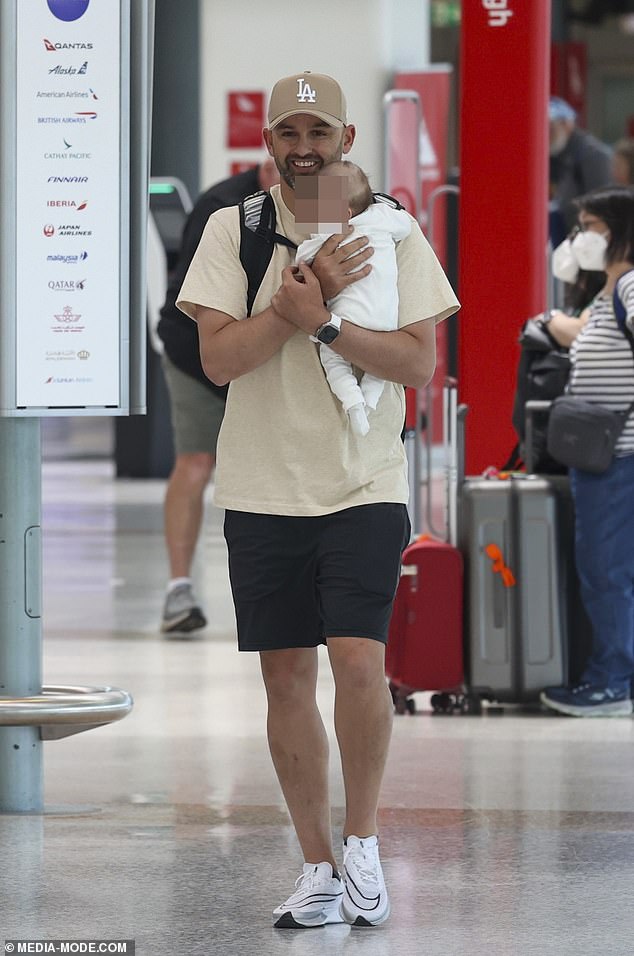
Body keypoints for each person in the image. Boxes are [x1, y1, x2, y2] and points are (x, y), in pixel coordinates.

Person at [176, 70, 459, 927]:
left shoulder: (394, 232)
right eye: (288, 133)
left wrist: (328, 321)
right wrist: (296, 306)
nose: (304, 148)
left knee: (361, 663)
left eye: (319, 133)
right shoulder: (235, 230)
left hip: (363, 483)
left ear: (347, 141)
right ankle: (318, 866)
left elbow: (417, 365)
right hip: (263, 488)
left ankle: (365, 841)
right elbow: (219, 360)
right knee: (285, 680)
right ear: (268, 144)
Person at [157, 159, 279, 635]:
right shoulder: (223, 206)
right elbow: (203, 302)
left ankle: (293, 587)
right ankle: (178, 588)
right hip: (196, 352)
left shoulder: (319, 197)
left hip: (267, 351)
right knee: (195, 462)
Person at [541, 185, 634, 717]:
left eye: (592, 227)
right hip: (606, 456)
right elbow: (584, 334)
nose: (581, 239)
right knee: (610, 571)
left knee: (605, 572)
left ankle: (611, 682)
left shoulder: (630, 286)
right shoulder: (611, 290)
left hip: (619, 456)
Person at [294, 160, 411, 436]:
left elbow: (303, 258)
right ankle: (370, 402)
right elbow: (405, 226)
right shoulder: (384, 217)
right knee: (380, 367)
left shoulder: (327, 236)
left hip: (347, 318)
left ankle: (353, 402)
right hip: (386, 320)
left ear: (342, 213)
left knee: (332, 359)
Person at [549, 97, 613, 244]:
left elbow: (602, 205)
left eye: (551, 128)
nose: (547, 135)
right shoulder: (558, 153)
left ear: (566, 124)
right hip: (566, 235)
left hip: (586, 241)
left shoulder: (593, 155)